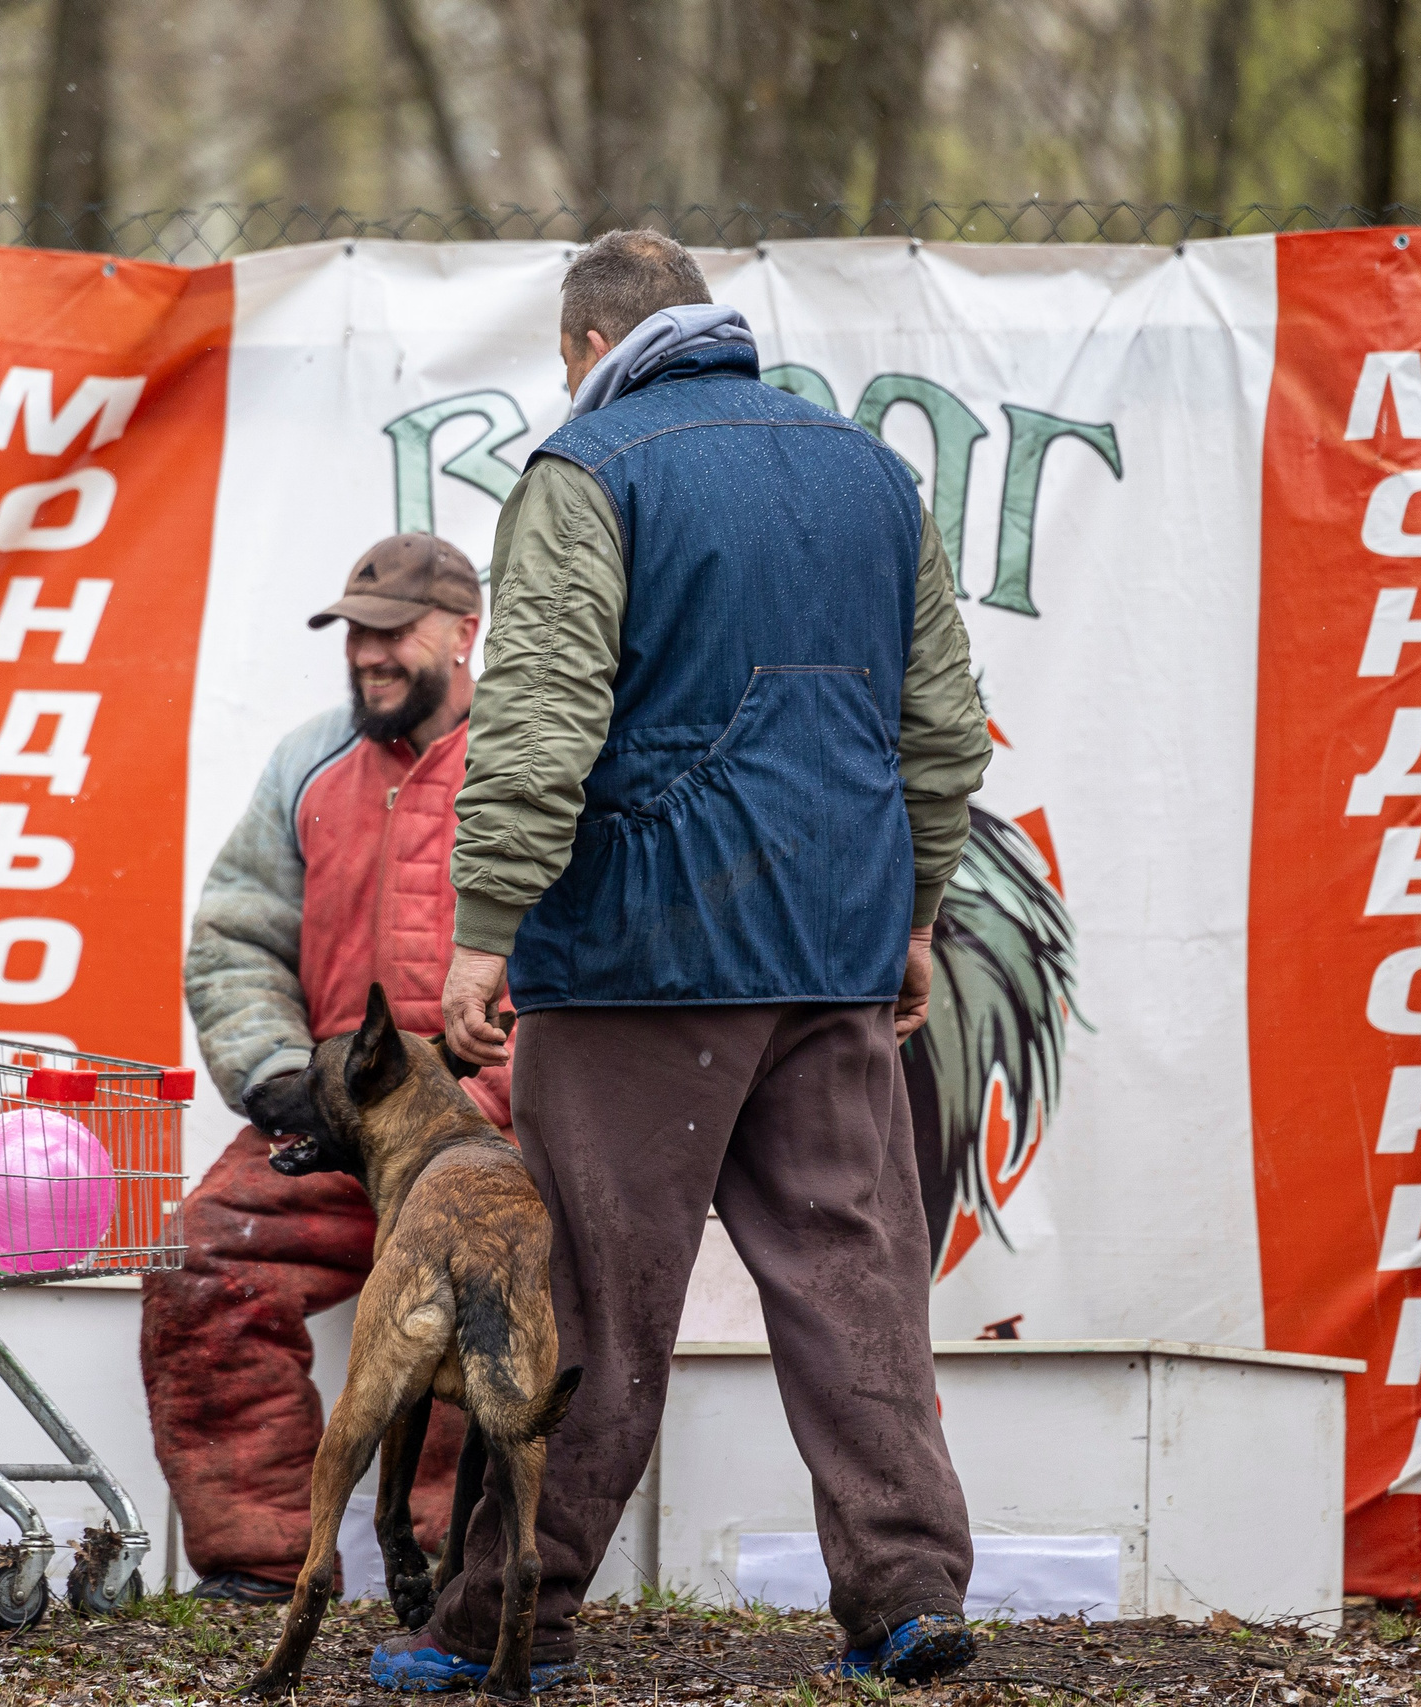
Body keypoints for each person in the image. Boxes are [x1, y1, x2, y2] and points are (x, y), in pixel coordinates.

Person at [388, 230, 996, 1692]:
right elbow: (945, 726)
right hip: (834, 953)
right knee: (856, 1280)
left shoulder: (589, 468)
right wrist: (910, 913)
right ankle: (906, 1596)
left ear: (589, 344)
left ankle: (505, 1624)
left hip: (646, 958)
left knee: (590, 1295)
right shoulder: (871, 474)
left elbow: (537, 718)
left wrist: (484, 929)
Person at [143, 534, 512, 1601]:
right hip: (334, 1119)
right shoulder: (308, 761)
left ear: (463, 632)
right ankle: (260, 1562)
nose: (369, 655)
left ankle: (449, 1573)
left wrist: (508, 1097)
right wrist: (274, 1077)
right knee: (203, 1263)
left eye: (392, 632)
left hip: (488, 1129)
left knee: (474, 1295)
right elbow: (234, 938)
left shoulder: (532, 766)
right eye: (356, 632)